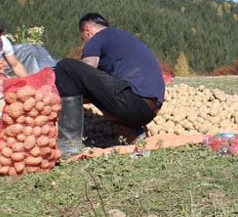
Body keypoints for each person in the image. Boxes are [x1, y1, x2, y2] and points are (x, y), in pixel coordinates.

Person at [53, 13, 165, 142]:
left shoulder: (98, 37)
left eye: (83, 39)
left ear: (87, 30)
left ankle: (69, 143)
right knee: (103, 95)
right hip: (149, 110)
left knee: (66, 67)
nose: (85, 43)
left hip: (132, 100)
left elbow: (87, 67)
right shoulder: (121, 38)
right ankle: (135, 134)